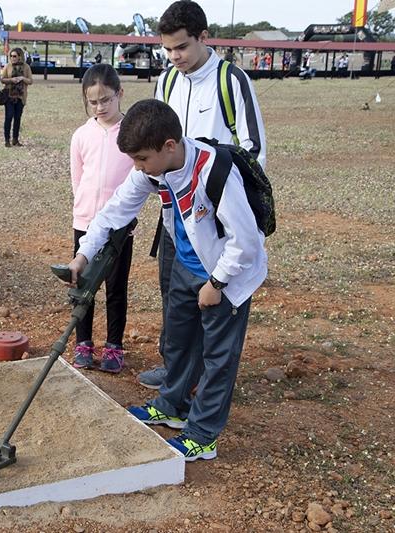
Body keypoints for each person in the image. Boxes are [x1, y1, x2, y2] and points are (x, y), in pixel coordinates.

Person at [68, 99, 267, 461]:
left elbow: (247, 242)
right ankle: (172, 404)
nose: (136, 167)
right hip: (185, 265)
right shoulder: (152, 170)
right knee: (177, 342)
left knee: (217, 356)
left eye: (141, 159)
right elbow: (115, 211)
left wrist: (218, 283)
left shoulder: (214, 171)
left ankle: (203, 434)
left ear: (169, 147)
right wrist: (84, 252)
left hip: (227, 274)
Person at [139, 0, 266, 390]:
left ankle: (205, 378)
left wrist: (220, 201)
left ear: (203, 37)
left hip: (214, 218)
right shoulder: (167, 81)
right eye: (167, 49)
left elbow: (254, 150)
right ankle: (176, 370)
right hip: (173, 212)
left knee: (212, 299)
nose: (174, 56)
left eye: (182, 47)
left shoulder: (232, 80)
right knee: (173, 295)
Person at [69, 64, 134, 374]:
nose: (100, 107)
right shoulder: (81, 135)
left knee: (115, 287)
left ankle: (114, 345)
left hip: (119, 228)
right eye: (93, 102)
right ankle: (83, 342)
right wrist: (82, 212)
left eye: (106, 100)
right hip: (84, 223)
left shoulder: (132, 133)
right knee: (83, 283)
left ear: (119, 94)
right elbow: (77, 179)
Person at [0, 47, 32, 147]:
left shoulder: (26, 67)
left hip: (20, 97)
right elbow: (2, 79)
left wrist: (22, 78)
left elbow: (30, 81)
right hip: (9, 96)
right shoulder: (8, 66)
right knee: (8, 117)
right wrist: (11, 80)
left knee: (17, 118)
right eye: (11, 56)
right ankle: (6, 140)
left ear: (20, 57)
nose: (12, 58)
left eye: (14, 56)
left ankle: (15, 139)